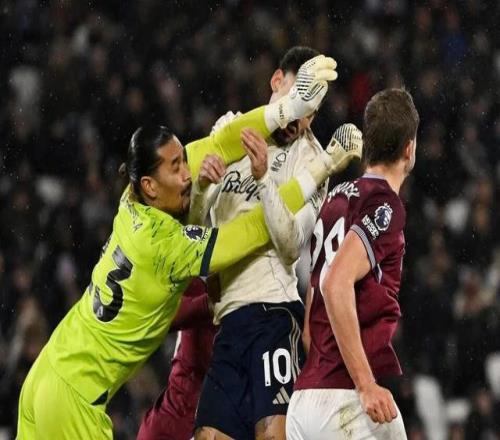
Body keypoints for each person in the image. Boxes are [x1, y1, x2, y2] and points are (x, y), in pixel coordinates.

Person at [16, 53, 343, 439]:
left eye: (183, 161)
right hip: (76, 397)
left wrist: (290, 108)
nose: (187, 174)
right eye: (176, 168)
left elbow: (220, 143)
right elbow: (250, 231)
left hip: (47, 372)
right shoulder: (169, 247)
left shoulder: (131, 198)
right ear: (151, 185)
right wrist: (317, 172)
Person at [192, 47, 363, 440]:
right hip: (228, 319)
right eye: (300, 98)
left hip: (273, 313)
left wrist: (264, 179)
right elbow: (197, 232)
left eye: (311, 112)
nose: (301, 119)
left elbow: (290, 246)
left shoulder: (316, 162)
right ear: (276, 82)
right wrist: (201, 187)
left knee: (273, 435)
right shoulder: (233, 131)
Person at [286, 88, 420, 439]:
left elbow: (310, 331)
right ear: (409, 149)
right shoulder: (384, 205)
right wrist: (364, 384)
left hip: (303, 402)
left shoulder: (334, 199)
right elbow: (335, 283)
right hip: (345, 401)